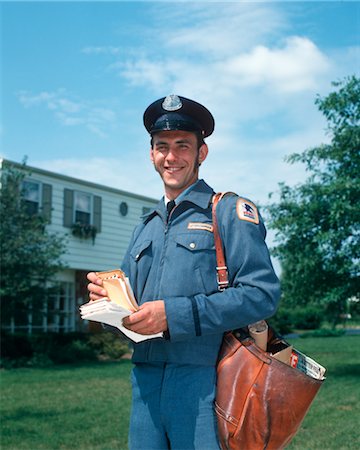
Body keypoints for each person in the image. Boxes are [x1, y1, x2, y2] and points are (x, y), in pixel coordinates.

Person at [87, 94, 281, 450]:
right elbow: (132, 309)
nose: (171, 157)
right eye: (162, 147)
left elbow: (262, 294)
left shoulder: (227, 213)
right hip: (144, 383)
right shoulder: (144, 226)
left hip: (206, 382)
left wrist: (172, 315)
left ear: (201, 153)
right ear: (151, 154)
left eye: (182, 146)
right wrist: (108, 306)